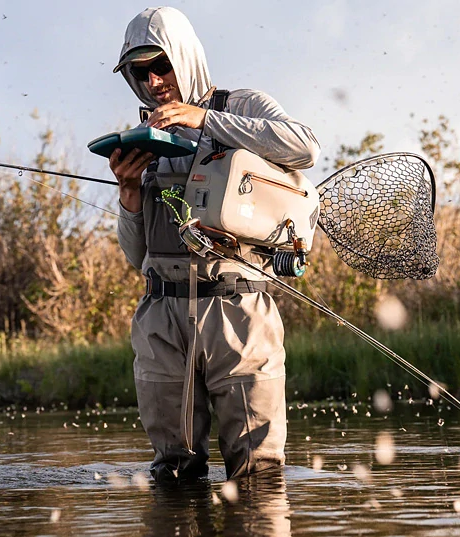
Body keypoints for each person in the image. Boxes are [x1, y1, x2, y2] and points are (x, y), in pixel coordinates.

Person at [109, 6, 320, 483]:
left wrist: (205, 120)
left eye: (160, 65)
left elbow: (304, 146)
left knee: (259, 476)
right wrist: (128, 196)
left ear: (183, 57)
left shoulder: (243, 105)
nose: (153, 81)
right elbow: (137, 257)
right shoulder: (145, 137)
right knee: (173, 474)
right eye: (138, 72)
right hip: (161, 317)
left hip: (238, 312)